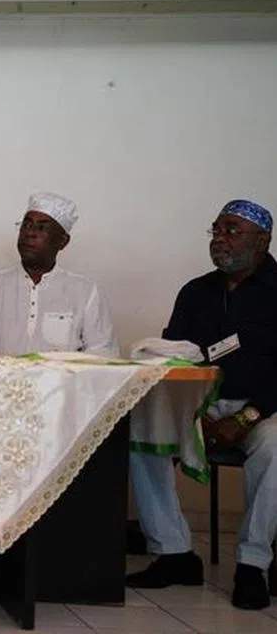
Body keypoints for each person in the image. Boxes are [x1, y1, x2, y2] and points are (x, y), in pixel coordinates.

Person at [128, 199, 277, 610]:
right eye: (216, 229)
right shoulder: (195, 292)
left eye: (232, 230)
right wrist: (191, 410)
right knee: (141, 432)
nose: (219, 239)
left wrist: (246, 417)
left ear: (262, 241)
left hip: (263, 409)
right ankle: (173, 551)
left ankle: (252, 564)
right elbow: (174, 357)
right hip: (200, 404)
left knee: (275, 446)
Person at [0, 191, 118, 357]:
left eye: (41, 228)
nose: (30, 233)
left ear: (63, 241)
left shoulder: (85, 291)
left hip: (62, 376)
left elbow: (102, 353)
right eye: (26, 225)